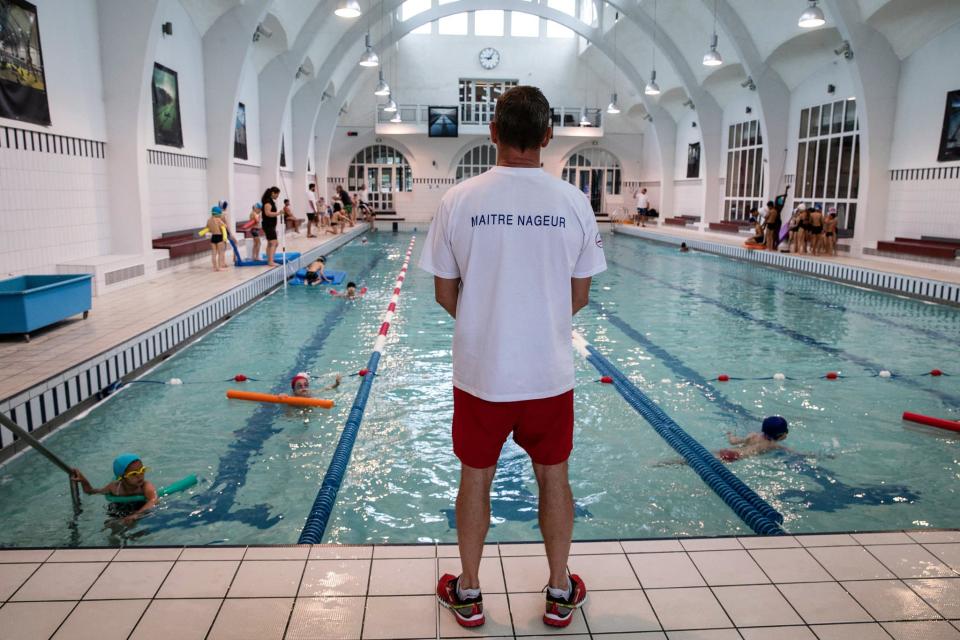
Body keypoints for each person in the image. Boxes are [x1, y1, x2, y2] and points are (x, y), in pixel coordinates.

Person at [421, 85, 605, 629]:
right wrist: (532, 325)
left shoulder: (459, 199)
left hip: (482, 375)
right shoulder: (572, 201)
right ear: (548, 136)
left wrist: (489, 325)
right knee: (555, 478)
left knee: (474, 479)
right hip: (549, 375)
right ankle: (558, 588)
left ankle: (470, 590)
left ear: (494, 132)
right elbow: (580, 295)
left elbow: (443, 291)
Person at [71, 454, 158, 525]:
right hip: (119, 507)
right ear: (121, 478)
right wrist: (83, 480)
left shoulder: (145, 486)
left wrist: (136, 515)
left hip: (139, 507)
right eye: (134, 474)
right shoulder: (115, 487)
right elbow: (90, 491)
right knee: (109, 524)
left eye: (142, 470)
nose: (140, 476)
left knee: (133, 524)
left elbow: (153, 500)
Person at [716, 416, 790, 462]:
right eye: (786, 431)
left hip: (727, 451)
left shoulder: (753, 435)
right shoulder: (773, 445)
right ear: (781, 435)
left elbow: (733, 442)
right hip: (735, 457)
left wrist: (730, 434)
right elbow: (788, 451)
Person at [260, 187, 281, 266]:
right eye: (277, 194)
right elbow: (267, 213)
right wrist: (278, 213)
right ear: (273, 193)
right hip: (268, 225)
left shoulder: (270, 201)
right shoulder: (268, 202)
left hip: (270, 225)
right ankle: (270, 261)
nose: (277, 196)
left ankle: (269, 259)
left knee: (270, 243)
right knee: (274, 243)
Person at [204, 205, 228, 271]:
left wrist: (212, 229)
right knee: (220, 253)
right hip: (219, 237)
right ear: (218, 214)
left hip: (213, 237)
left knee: (214, 253)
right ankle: (219, 267)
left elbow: (208, 229)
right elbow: (225, 226)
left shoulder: (209, 220)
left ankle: (214, 267)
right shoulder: (218, 220)